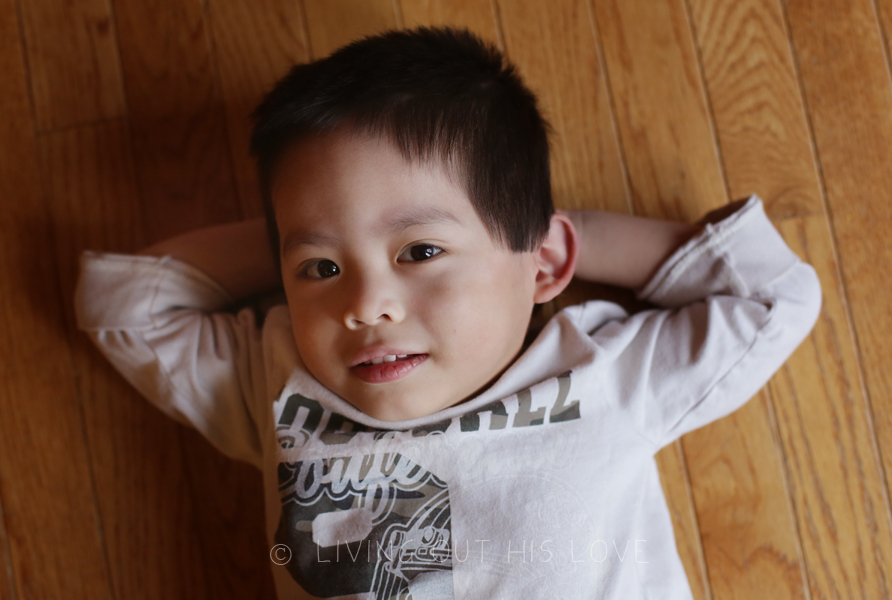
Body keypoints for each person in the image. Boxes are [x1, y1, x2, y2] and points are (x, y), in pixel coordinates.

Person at [74, 25, 822, 600]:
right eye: (322, 270)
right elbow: (123, 307)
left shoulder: (605, 376)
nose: (365, 306)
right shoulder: (279, 384)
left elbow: (772, 295)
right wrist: (297, 227)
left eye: (420, 251)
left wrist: (560, 236)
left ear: (545, 263)